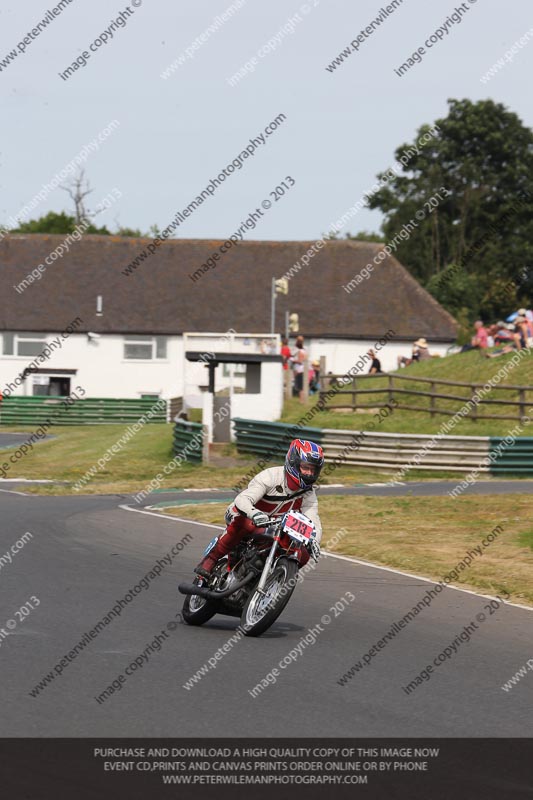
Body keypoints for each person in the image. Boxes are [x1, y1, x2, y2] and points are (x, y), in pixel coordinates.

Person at [194, 440, 324, 577]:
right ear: (293, 462)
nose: (309, 474)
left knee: (302, 553)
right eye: (305, 467)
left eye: (313, 470)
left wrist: (314, 540)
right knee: (246, 524)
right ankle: (211, 559)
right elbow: (242, 499)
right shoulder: (270, 477)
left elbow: (313, 519)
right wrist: (255, 514)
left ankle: (275, 578)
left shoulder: (308, 493)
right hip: (245, 514)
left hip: (275, 525)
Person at [290, 335, 307, 402]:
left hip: (299, 370)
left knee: (300, 386)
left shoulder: (300, 351)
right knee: (301, 386)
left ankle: (301, 400)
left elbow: (300, 361)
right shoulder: (304, 350)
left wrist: (293, 360)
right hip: (302, 369)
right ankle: (302, 399)